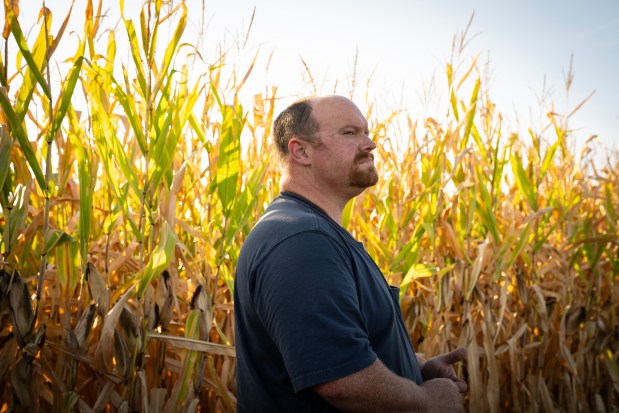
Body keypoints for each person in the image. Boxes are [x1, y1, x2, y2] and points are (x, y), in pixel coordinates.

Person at [234, 95, 467, 412]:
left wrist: (413, 369)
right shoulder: (300, 240)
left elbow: (342, 347)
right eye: (349, 133)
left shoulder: (313, 232)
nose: (370, 143)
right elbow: (341, 379)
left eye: (367, 132)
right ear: (300, 150)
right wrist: (426, 401)